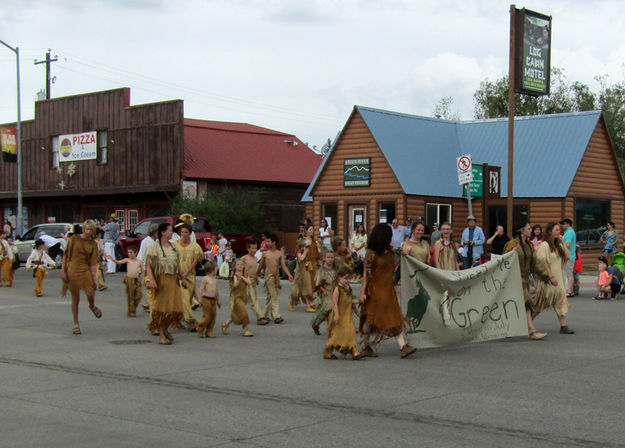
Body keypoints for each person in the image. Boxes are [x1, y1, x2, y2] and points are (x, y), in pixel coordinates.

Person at [358, 223, 416, 358]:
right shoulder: (371, 254)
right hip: (376, 291)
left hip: (388, 289)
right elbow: (366, 275)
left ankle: (365, 346)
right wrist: (362, 293)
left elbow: (392, 267)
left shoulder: (390, 252)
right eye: (389, 235)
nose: (391, 238)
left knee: (371, 318)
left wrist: (402, 256)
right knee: (388, 316)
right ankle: (402, 346)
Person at [503, 224, 549, 340]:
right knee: (526, 303)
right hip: (513, 280)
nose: (530, 231)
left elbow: (535, 264)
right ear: (522, 231)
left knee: (523, 304)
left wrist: (546, 276)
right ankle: (531, 330)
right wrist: (510, 254)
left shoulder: (529, 245)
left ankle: (510, 329)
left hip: (524, 280)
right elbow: (503, 262)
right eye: (528, 229)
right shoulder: (512, 245)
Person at [145, 222, 186, 345]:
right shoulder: (154, 247)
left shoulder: (174, 247)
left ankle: (166, 329)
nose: (171, 233)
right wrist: (151, 280)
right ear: (162, 232)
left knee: (175, 308)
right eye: (169, 230)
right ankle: (162, 334)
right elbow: (148, 265)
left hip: (173, 280)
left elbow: (177, 263)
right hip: (161, 281)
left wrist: (182, 277)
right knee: (162, 309)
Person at [61, 220, 102, 335]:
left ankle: (92, 306)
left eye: (90, 229)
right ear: (84, 229)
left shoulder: (93, 244)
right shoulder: (74, 239)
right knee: (76, 298)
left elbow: (93, 263)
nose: (88, 231)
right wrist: (63, 271)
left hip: (85, 269)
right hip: (73, 268)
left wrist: (94, 278)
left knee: (90, 293)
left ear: (93, 231)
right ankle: (76, 324)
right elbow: (66, 254)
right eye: (86, 229)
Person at [533, 222, 574, 334]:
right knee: (542, 302)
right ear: (550, 231)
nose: (558, 232)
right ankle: (527, 321)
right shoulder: (545, 245)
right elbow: (543, 260)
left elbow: (568, 256)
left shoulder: (557, 246)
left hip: (559, 279)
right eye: (556, 230)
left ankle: (563, 326)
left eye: (559, 230)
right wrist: (550, 276)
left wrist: (562, 242)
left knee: (561, 300)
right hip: (549, 279)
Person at [324, 267, 363, 360]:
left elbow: (349, 300)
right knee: (337, 334)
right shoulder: (337, 289)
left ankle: (354, 351)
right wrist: (336, 315)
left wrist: (358, 301)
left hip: (347, 315)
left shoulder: (349, 288)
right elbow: (335, 303)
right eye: (346, 278)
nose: (348, 281)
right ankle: (328, 351)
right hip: (339, 315)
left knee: (351, 332)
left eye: (349, 278)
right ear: (339, 278)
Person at [172, 223, 203, 332]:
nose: (183, 234)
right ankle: (191, 321)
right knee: (183, 298)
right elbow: (174, 259)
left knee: (188, 299)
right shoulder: (175, 245)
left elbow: (196, 261)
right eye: (182, 232)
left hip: (190, 275)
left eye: (185, 232)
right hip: (178, 275)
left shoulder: (195, 246)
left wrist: (186, 273)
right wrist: (181, 273)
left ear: (190, 233)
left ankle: (177, 320)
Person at [257, 234, 293, 324]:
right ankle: (277, 315)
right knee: (274, 296)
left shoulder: (279, 253)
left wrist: (289, 275)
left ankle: (264, 315)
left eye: (269, 241)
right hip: (268, 277)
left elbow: (283, 265)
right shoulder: (265, 253)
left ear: (274, 242)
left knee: (270, 296)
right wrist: (256, 275)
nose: (267, 243)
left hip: (276, 277)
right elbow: (261, 265)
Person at [105, 246, 143, 317]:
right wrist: (112, 259)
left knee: (139, 295)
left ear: (135, 253)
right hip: (129, 279)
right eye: (128, 252)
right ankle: (131, 311)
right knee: (130, 296)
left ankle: (133, 307)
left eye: (131, 252)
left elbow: (143, 271)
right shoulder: (127, 260)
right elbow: (118, 262)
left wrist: (143, 279)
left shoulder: (139, 261)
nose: (129, 254)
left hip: (136, 280)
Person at [221, 259, 254, 337]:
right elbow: (235, 285)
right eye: (238, 264)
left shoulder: (245, 275)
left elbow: (249, 283)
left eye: (242, 264)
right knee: (244, 313)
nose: (240, 266)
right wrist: (238, 279)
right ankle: (245, 330)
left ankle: (225, 324)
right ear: (235, 267)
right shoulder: (234, 275)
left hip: (243, 297)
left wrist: (242, 277)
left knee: (235, 314)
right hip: (237, 298)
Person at [240, 241, 268, 325]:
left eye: (255, 248)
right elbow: (239, 271)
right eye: (252, 248)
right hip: (246, 281)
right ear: (248, 249)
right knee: (253, 299)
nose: (254, 250)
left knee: (246, 300)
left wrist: (256, 278)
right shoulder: (244, 258)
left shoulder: (256, 258)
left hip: (253, 280)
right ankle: (260, 317)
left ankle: (237, 315)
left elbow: (255, 271)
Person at [311, 250, 338, 336]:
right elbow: (318, 283)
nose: (330, 259)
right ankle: (317, 323)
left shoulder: (335, 270)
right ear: (324, 258)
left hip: (334, 292)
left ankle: (330, 328)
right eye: (328, 257)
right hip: (326, 292)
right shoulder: (321, 271)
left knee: (332, 310)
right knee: (328, 309)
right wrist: (323, 290)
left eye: (332, 257)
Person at [137, 224, 158, 312]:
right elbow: (141, 255)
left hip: (155, 267)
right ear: (153, 232)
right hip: (147, 266)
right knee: (150, 286)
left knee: (154, 286)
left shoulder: (156, 241)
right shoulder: (146, 241)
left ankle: (147, 303)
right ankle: (149, 304)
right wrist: (142, 269)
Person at [197, 260, 221, 338]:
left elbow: (216, 291)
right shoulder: (205, 279)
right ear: (213, 270)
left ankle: (209, 331)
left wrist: (218, 300)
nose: (217, 270)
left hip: (213, 300)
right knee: (207, 316)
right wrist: (199, 300)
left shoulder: (215, 280)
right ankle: (200, 328)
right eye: (216, 268)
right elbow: (201, 290)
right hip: (206, 299)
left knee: (213, 316)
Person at [560, 218, 577, 298]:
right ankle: (570, 290)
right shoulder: (568, 232)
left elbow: (568, 244)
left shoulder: (569, 232)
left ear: (568, 224)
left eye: (563, 224)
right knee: (568, 273)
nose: (562, 226)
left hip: (569, 255)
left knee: (568, 273)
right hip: (568, 255)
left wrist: (559, 247)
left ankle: (569, 291)